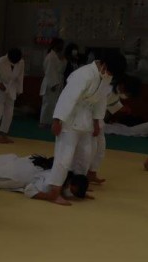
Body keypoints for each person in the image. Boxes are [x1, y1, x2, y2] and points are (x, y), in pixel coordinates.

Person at [46, 51, 126, 205]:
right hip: (69, 118)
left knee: (85, 156)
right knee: (65, 157)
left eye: (112, 73)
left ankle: (76, 188)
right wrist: (57, 120)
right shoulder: (84, 75)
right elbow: (67, 97)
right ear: (102, 64)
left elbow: (101, 100)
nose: (109, 74)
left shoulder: (106, 76)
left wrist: (97, 122)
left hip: (87, 120)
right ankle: (54, 191)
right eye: (109, 70)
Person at [0, 47, 25, 143]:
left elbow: (20, 77)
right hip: (0, 88)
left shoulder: (21, 62)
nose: (16, 62)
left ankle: (4, 134)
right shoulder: (0, 61)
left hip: (12, 88)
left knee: (9, 113)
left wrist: (19, 90)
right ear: (8, 57)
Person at [39, 38, 66, 128]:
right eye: (60, 45)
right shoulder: (51, 57)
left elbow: (60, 69)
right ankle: (43, 123)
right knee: (48, 104)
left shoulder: (56, 56)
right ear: (55, 45)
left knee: (53, 104)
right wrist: (53, 84)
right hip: (51, 83)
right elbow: (50, 71)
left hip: (57, 81)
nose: (62, 47)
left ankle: (50, 122)